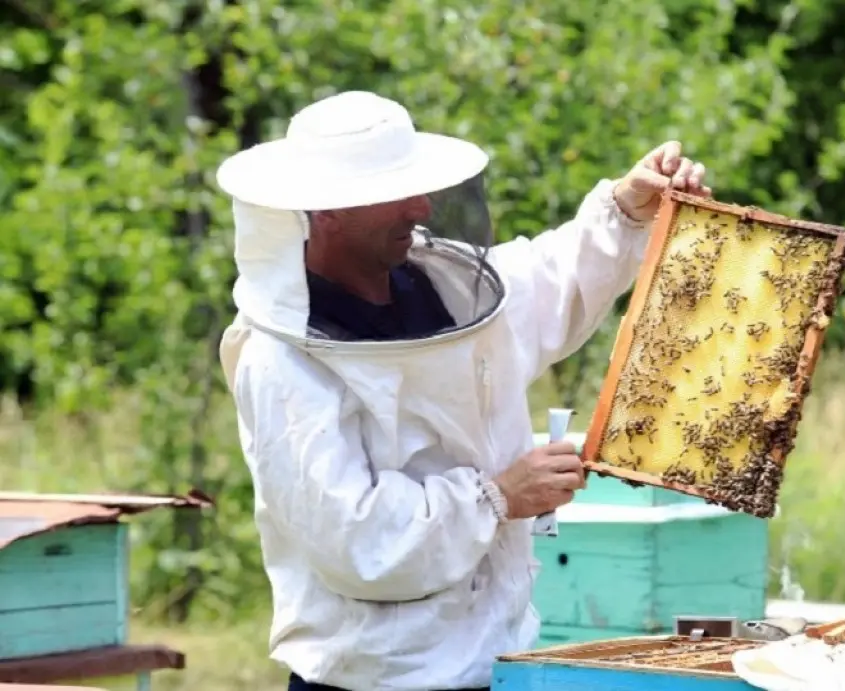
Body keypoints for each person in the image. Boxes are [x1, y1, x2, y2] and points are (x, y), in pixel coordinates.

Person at [214, 90, 712, 691]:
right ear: (328, 212)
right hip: (373, 679)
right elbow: (355, 538)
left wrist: (626, 209)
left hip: (493, 659)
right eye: (395, 193)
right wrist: (498, 496)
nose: (421, 207)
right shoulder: (281, 357)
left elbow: (548, 279)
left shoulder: (447, 285)